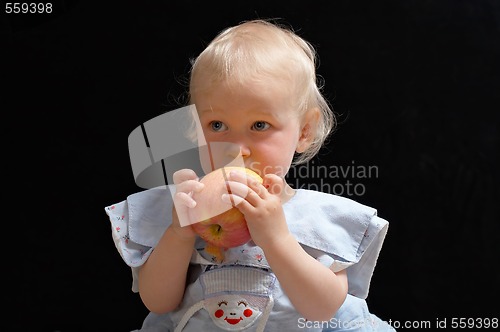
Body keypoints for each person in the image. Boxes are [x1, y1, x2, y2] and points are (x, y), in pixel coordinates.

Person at [105, 19, 395, 331]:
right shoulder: (183, 207)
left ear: (304, 131)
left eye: (259, 125)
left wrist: (276, 239)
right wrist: (179, 234)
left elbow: (323, 309)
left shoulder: (316, 219)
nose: (237, 148)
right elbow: (158, 303)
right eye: (217, 125)